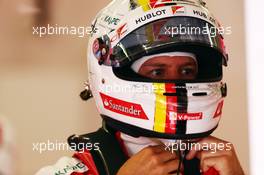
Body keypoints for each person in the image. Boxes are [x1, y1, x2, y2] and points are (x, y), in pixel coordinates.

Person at [36, 0, 245, 174]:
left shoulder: (217, 166)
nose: (175, 83)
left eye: (186, 71)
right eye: (157, 72)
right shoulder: (70, 171)